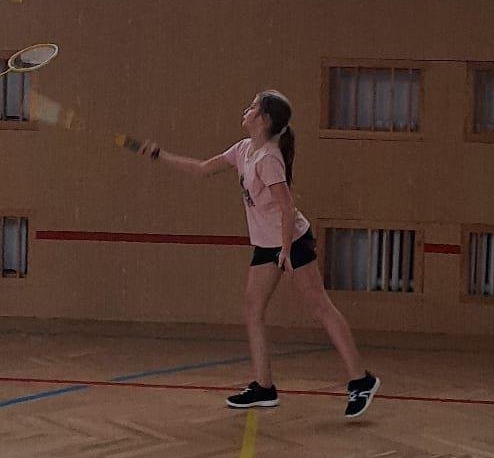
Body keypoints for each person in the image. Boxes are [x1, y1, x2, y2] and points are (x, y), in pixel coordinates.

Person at [142, 90, 379, 418]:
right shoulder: (243, 150)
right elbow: (201, 169)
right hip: (268, 244)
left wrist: (286, 251)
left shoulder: (268, 159)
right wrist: (160, 155)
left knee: (320, 307)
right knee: (253, 309)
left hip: (291, 240)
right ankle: (264, 387)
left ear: (264, 119)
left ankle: (361, 380)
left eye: (253, 106)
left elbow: (287, 207)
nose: (247, 109)